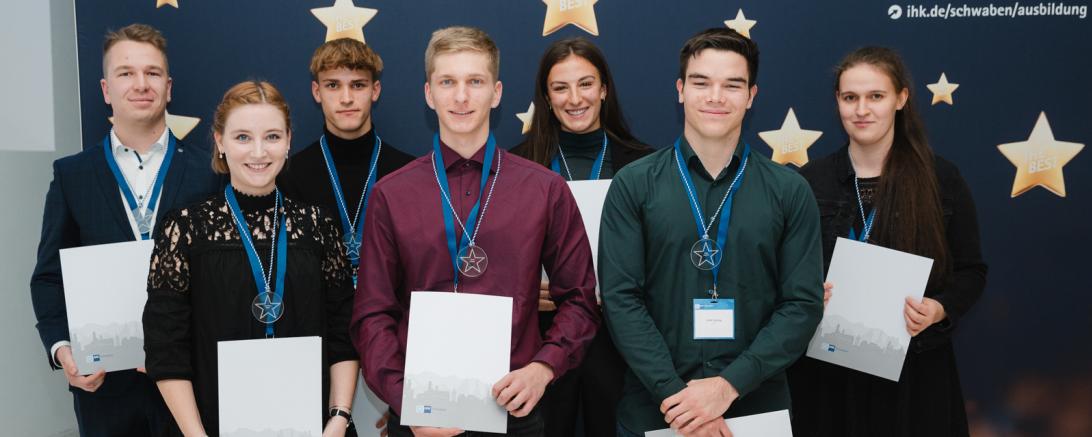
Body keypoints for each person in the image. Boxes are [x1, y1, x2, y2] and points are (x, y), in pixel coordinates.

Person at [352, 26, 599, 437]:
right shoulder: (391, 194)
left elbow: (579, 299)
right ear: (429, 94)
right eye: (447, 82)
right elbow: (372, 314)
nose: (461, 97)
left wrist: (543, 368)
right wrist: (408, 400)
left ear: (497, 93)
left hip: (514, 413)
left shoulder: (544, 190)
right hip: (420, 419)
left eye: (475, 82)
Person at [599, 28, 824, 436]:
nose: (716, 97)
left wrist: (726, 387)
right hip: (656, 410)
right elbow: (621, 300)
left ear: (751, 96)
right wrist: (681, 403)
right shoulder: (634, 185)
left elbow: (801, 306)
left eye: (732, 85)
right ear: (681, 90)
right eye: (702, 83)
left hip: (757, 411)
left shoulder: (790, 190)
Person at [29, 23, 220, 436]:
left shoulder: (210, 174)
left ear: (168, 88)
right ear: (105, 89)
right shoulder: (72, 175)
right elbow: (47, 278)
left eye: (152, 73)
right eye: (126, 73)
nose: (141, 84)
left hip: (192, 387)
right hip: (105, 393)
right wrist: (64, 351)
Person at [786, 46, 987, 437]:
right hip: (828, 376)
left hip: (915, 373)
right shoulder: (809, 182)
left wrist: (940, 308)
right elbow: (783, 271)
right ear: (838, 103)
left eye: (875, 96)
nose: (862, 110)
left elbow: (972, 271)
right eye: (850, 98)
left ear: (901, 98)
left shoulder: (941, 179)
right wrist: (805, 292)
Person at [143, 81, 359, 436]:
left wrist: (339, 418)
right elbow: (166, 347)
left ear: (289, 141)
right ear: (219, 142)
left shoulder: (319, 225)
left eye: (272, 136)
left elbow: (343, 333)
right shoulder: (184, 228)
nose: (258, 152)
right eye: (243, 137)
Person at [510, 37, 651, 437]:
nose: (575, 98)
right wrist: (522, 288)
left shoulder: (644, 165)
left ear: (604, 89)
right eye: (560, 87)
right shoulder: (517, 165)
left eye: (586, 84)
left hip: (620, 341)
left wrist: (632, 285)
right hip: (542, 338)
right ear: (546, 97)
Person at [278, 37, 415, 288]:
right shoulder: (289, 176)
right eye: (333, 85)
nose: (346, 98)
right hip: (319, 319)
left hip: (389, 319)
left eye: (358, 85)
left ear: (375, 90)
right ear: (316, 92)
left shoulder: (409, 173)